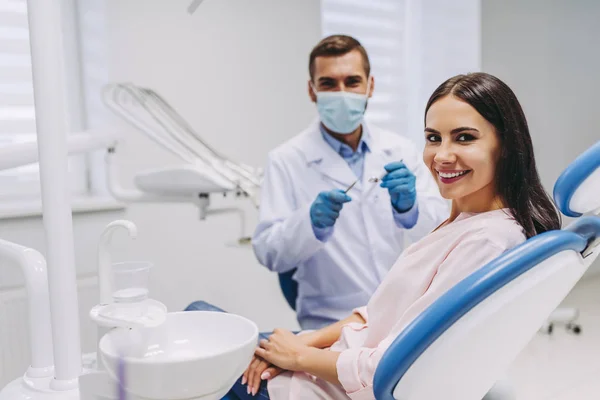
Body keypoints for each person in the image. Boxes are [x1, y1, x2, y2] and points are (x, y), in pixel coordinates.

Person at [232, 72, 561, 399]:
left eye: (464, 138)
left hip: (334, 380)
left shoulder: (486, 240)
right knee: (212, 328)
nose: (442, 155)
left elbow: (396, 365)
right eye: (433, 138)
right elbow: (381, 312)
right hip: (337, 343)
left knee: (202, 335)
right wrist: (306, 340)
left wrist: (299, 356)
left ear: (505, 145)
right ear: (312, 88)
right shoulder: (468, 222)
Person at [251, 35, 449, 330]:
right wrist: (308, 223)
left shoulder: (400, 149)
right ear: (312, 90)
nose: (341, 93)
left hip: (398, 313)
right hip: (328, 322)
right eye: (329, 83)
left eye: (352, 81)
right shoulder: (286, 159)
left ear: (370, 86)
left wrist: (410, 208)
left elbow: (441, 232)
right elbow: (269, 253)